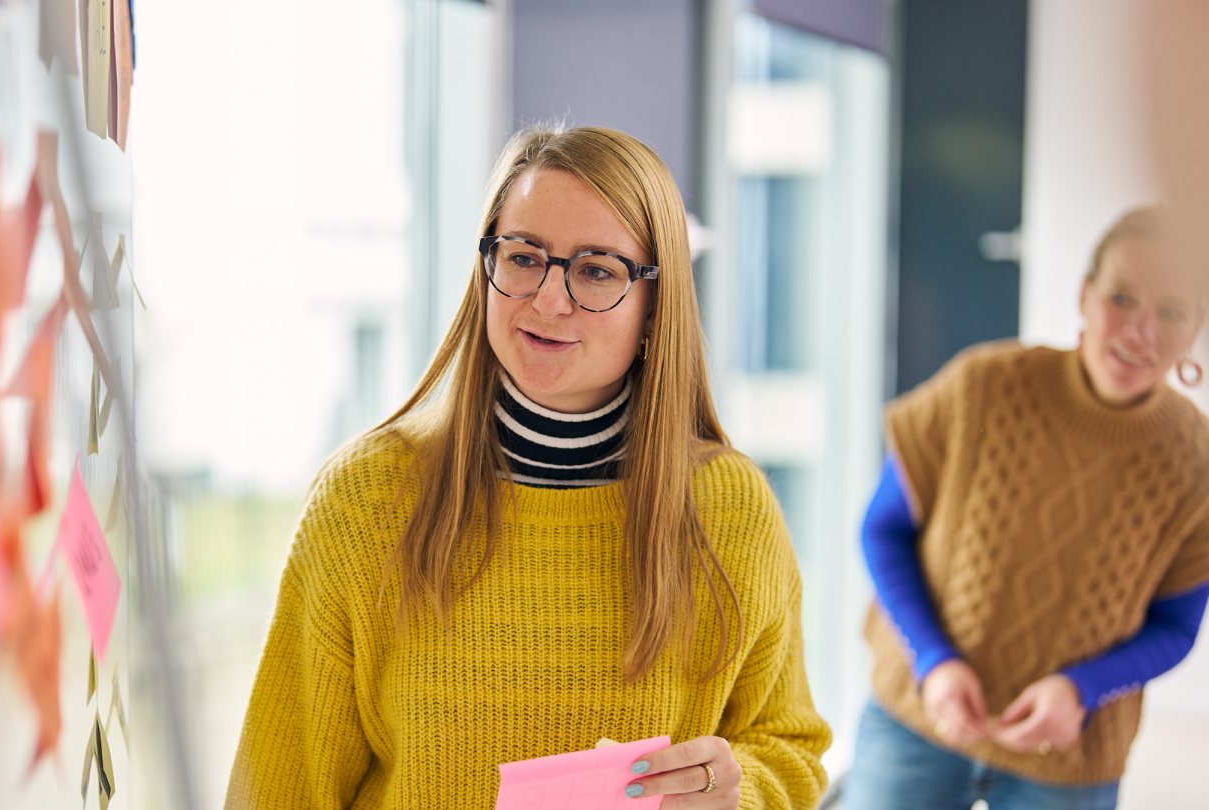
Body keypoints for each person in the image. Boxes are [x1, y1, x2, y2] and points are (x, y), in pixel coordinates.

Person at [223, 125, 831, 810]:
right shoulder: (365, 498)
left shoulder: (729, 508)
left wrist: (737, 794)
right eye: (523, 258)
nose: (548, 299)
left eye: (597, 270)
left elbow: (789, 748)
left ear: (656, 305)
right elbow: (278, 788)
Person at [842, 206, 1209, 810]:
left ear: (1194, 328)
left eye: (1170, 312)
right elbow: (883, 529)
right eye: (1122, 297)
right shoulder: (983, 386)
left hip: (1069, 758)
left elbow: (1177, 626)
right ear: (1085, 296)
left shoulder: (1194, 464)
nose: (1141, 331)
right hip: (915, 717)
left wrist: (1082, 690)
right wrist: (934, 660)